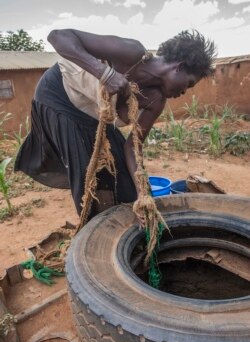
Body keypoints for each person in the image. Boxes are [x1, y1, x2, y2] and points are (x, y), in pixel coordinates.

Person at [15, 29, 216, 219]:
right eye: (188, 84)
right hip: (60, 96)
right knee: (91, 178)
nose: (184, 92)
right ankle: (95, 237)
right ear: (178, 66)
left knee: (125, 182)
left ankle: (129, 232)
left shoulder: (156, 101)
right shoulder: (132, 53)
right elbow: (58, 36)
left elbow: (133, 147)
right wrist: (105, 73)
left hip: (92, 116)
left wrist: (142, 194)